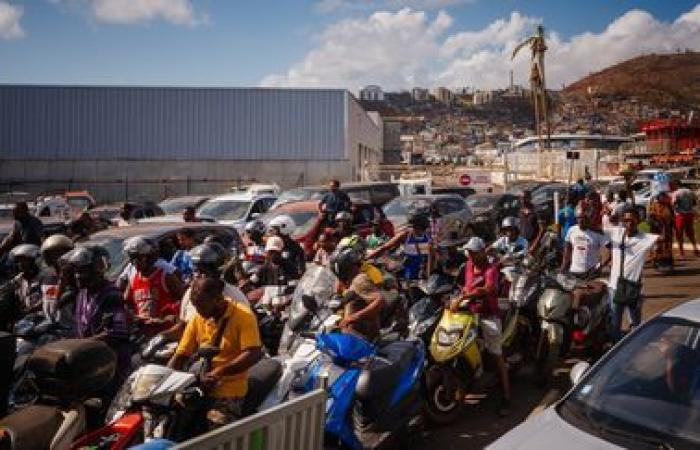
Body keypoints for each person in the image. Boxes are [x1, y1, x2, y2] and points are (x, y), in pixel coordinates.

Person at [169, 277, 262, 430]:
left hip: (230, 388)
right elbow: (181, 354)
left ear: (218, 299)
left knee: (216, 430)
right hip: (198, 385)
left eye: (202, 305)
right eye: (195, 306)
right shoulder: (199, 318)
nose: (198, 311)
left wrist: (220, 372)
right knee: (171, 417)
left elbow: (253, 353)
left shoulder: (244, 316)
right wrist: (166, 376)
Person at [450, 237, 511, 416]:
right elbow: (464, 286)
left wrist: (466, 296)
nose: (469, 255)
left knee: (497, 355)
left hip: (488, 314)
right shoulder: (468, 265)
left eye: (473, 252)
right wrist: (460, 294)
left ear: (482, 252)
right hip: (469, 313)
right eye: (468, 252)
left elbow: (488, 288)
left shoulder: (491, 269)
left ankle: (507, 397)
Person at [64, 245, 131, 391]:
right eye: (76, 271)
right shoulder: (82, 293)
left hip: (111, 363)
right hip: (91, 358)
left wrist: (78, 345)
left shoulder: (111, 294)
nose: (77, 276)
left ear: (97, 270)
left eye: (82, 271)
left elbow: (115, 333)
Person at [162, 242, 250, 343]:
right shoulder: (190, 293)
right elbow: (183, 326)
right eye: (196, 271)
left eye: (202, 271)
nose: (197, 275)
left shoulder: (236, 297)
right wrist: (162, 336)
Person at [607, 209, 658, 341]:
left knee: (636, 324)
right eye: (626, 220)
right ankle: (615, 351)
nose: (629, 223)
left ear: (638, 221)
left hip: (634, 289)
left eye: (632, 220)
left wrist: (655, 222)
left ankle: (634, 349)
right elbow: (596, 229)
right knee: (614, 324)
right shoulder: (616, 233)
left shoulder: (645, 238)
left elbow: (662, 237)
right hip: (615, 287)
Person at [121, 236, 184, 333]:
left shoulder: (165, 277)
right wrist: (134, 317)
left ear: (150, 257)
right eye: (132, 259)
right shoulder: (133, 279)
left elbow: (184, 300)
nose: (135, 262)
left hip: (166, 331)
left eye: (138, 258)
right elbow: (126, 303)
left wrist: (166, 318)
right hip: (143, 331)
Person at [330, 247, 385, 342]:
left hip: (361, 339)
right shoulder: (352, 281)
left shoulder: (359, 280)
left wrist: (354, 317)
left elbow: (380, 301)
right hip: (354, 335)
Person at [561, 205, 610, 310]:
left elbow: (609, 252)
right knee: (568, 299)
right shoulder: (571, 230)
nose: (581, 220)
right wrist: (563, 268)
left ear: (589, 218)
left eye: (584, 218)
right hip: (573, 273)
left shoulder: (598, 233)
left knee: (583, 300)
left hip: (591, 274)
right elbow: (567, 252)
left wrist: (599, 267)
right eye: (579, 218)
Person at [367, 211, 433, 281]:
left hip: (424, 272)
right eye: (412, 227)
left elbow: (432, 255)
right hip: (408, 272)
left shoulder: (427, 236)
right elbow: (385, 247)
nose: (412, 229)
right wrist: (368, 257)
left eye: (420, 229)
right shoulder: (405, 235)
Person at [38, 234, 76, 328]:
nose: (58, 257)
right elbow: (45, 298)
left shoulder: (76, 277)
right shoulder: (45, 277)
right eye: (53, 254)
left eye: (61, 253)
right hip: (50, 326)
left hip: (72, 327)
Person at [268, 215, 305, 279]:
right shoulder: (273, 247)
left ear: (284, 228)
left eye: (275, 229)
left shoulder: (296, 248)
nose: (272, 233)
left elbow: (300, 271)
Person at [648, 192, 675, 271]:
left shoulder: (669, 206)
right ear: (658, 198)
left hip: (667, 230)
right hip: (657, 230)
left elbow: (672, 218)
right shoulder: (654, 206)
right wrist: (656, 222)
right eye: (662, 197)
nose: (664, 199)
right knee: (657, 247)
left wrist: (671, 226)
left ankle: (668, 264)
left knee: (667, 247)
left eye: (665, 197)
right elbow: (650, 219)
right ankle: (655, 262)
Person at [672, 186, 698, 256]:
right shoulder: (691, 192)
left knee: (679, 233)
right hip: (689, 214)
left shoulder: (676, 193)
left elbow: (674, 203)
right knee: (690, 233)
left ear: (676, 184)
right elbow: (695, 203)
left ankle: (681, 251)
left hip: (680, 215)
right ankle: (695, 248)